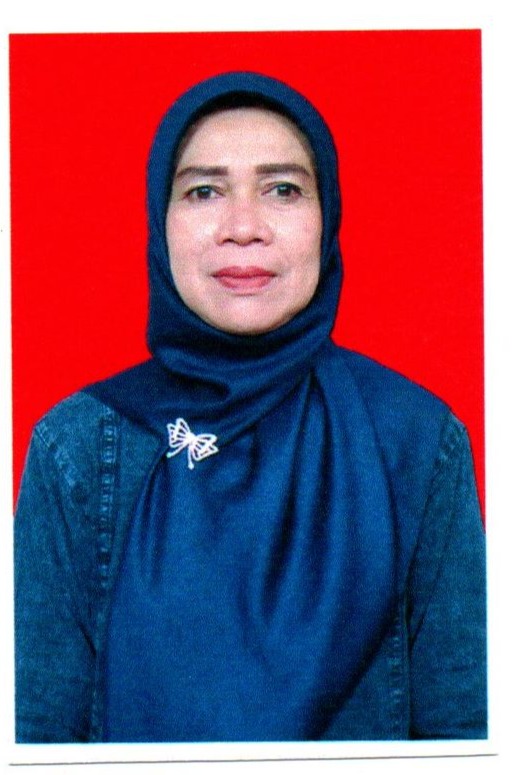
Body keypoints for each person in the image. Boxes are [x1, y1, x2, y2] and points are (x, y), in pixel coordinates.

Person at [14, 71, 487, 743]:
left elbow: (464, 735)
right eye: (204, 191)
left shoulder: (416, 441)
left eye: (283, 189)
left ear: (328, 219)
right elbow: (33, 738)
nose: (243, 228)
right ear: (159, 221)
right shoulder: (79, 447)